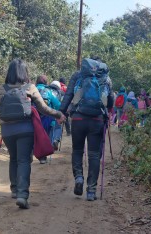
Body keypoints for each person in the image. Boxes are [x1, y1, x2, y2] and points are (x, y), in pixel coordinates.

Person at [0, 59, 65, 209]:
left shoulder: (2, 89)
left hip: (7, 131)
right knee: (23, 160)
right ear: (25, 72)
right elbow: (43, 109)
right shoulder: (30, 87)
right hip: (25, 129)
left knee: (13, 158)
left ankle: (14, 189)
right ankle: (22, 195)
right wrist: (58, 114)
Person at [59, 56, 114, 201]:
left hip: (78, 118)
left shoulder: (78, 75)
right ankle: (91, 191)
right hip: (97, 119)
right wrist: (107, 111)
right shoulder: (106, 78)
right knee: (94, 155)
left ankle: (78, 178)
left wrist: (61, 112)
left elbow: (69, 95)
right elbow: (110, 100)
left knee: (77, 150)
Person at [35, 75, 61, 164]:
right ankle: (43, 157)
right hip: (47, 118)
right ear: (46, 82)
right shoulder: (48, 91)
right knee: (45, 136)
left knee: (34, 136)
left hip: (33, 117)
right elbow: (57, 104)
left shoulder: (31, 89)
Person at [48, 80, 64, 150]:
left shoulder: (47, 91)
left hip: (47, 113)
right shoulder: (60, 93)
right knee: (57, 127)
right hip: (56, 113)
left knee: (50, 129)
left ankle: (49, 143)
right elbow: (60, 104)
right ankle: (56, 140)